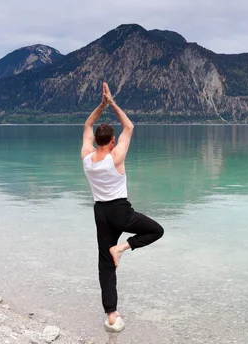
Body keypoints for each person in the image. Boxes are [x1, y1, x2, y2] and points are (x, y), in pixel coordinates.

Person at [81, 82, 164, 333]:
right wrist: (113, 103)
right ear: (113, 140)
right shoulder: (116, 156)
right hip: (120, 212)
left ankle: (112, 316)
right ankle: (123, 247)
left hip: (101, 213)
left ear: (96, 140)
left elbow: (86, 125)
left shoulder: (87, 157)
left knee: (105, 264)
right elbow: (130, 126)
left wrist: (101, 105)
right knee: (156, 230)